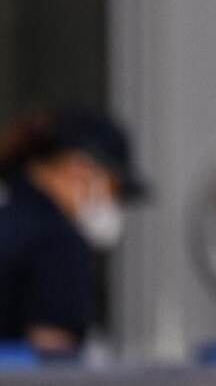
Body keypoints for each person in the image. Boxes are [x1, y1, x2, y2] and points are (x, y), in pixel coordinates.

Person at [0, 110, 146, 357]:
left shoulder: (12, 218)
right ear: (79, 169)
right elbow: (53, 359)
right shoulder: (57, 242)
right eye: (114, 190)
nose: (114, 204)